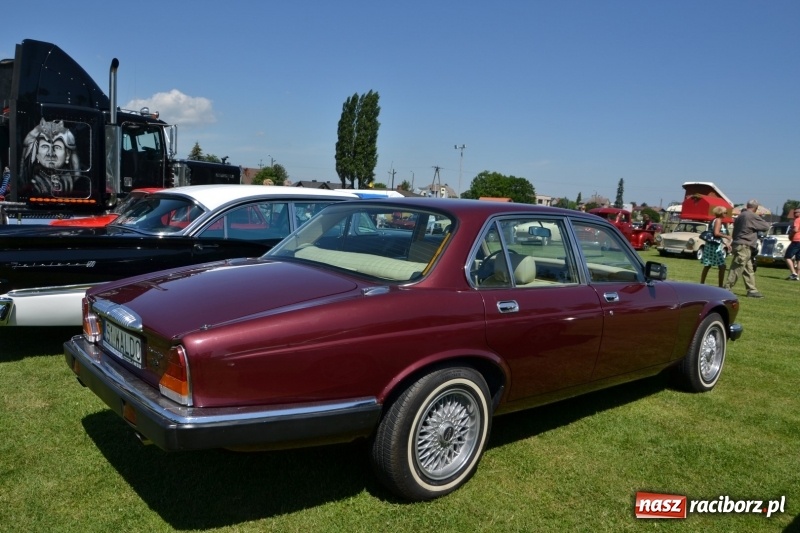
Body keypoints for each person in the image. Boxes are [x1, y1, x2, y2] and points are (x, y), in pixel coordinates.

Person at [724, 199, 771, 298]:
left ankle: (752, 290)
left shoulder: (741, 215)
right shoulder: (752, 215)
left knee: (748, 269)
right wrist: (760, 217)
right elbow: (766, 226)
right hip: (745, 245)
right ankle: (726, 288)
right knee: (737, 267)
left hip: (740, 244)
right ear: (756, 208)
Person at [700, 206, 731, 287]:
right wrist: (726, 236)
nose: (726, 214)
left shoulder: (714, 220)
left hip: (711, 244)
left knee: (708, 264)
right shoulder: (718, 220)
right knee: (722, 266)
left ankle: (702, 283)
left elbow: (716, 236)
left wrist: (726, 244)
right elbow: (716, 233)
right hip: (714, 247)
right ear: (721, 213)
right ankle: (720, 286)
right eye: (725, 212)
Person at [785, 207, 800, 281]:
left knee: (787, 257)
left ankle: (793, 273)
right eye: (794, 212)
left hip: (796, 240)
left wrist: (790, 235)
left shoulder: (797, 220)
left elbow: (795, 229)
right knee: (799, 259)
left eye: (796, 212)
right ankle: (797, 276)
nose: (795, 214)